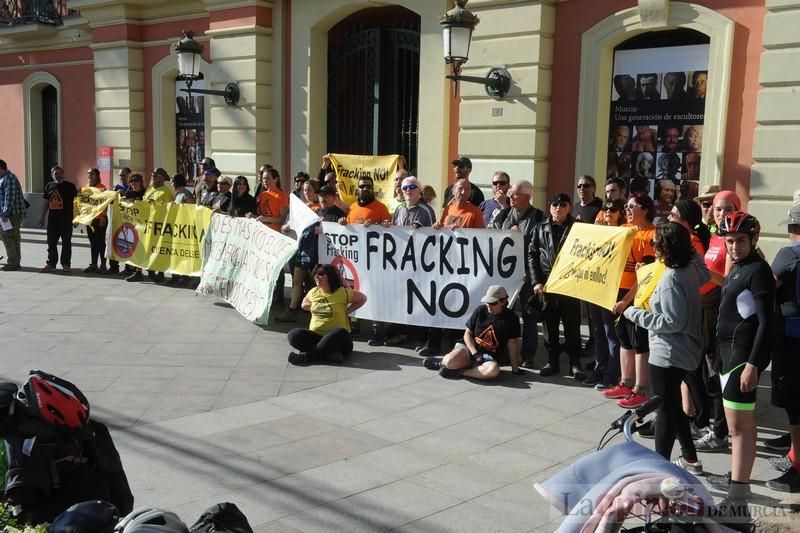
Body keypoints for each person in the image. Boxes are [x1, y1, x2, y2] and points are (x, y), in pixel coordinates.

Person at [624, 222, 708, 475]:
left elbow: (672, 321)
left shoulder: (672, 277)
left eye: (656, 243)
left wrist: (634, 313)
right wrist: (686, 243)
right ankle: (691, 459)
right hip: (686, 351)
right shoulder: (691, 269)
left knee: (664, 411)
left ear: (665, 248)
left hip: (668, 354)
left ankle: (659, 467)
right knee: (672, 406)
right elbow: (704, 269)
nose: (653, 246)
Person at [710, 212, 774, 520]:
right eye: (730, 241)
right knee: (739, 427)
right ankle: (739, 490)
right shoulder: (738, 268)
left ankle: (737, 500)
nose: (734, 246)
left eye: (740, 241)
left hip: (740, 359)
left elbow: (767, 323)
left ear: (753, 240)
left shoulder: (757, 271)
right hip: (728, 356)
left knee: (740, 429)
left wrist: (753, 365)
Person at [604, 192, 656, 408]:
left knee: (639, 341)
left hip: (639, 296)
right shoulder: (624, 231)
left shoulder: (652, 235)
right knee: (623, 338)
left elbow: (646, 277)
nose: (627, 209)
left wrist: (626, 300)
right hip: (619, 292)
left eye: (632, 206)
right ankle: (626, 382)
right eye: (626, 205)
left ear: (644, 209)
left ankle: (641, 389)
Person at [528, 193, 585, 380]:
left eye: (562, 204)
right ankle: (552, 362)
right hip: (548, 285)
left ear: (569, 207)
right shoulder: (540, 227)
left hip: (570, 285)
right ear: (550, 207)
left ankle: (575, 364)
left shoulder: (578, 228)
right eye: (554, 204)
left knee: (572, 326)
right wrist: (536, 281)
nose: (558, 208)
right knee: (549, 325)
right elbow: (532, 255)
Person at [766, 203, 800, 492]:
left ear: (793, 229)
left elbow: (767, 288)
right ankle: (793, 455)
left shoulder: (789, 254)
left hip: (792, 340)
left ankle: (797, 466)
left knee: (795, 404)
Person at [492, 180, 543, 368]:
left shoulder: (537, 217)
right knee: (505, 313)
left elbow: (540, 248)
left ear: (527, 196)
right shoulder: (505, 213)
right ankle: (505, 351)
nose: (510, 196)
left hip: (527, 276)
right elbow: (493, 237)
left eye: (514, 194)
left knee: (529, 315)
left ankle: (528, 355)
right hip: (507, 274)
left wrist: (533, 273)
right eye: (510, 193)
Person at [422, 285, 521, 380]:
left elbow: (512, 343)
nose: (489, 306)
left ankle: (459, 372)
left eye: (493, 303)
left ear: (503, 301)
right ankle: (442, 363)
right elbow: (467, 334)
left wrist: (515, 369)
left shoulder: (511, 318)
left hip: (488, 357)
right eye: (487, 302)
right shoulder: (480, 310)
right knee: (450, 361)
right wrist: (475, 353)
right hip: (470, 349)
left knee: (493, 371)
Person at [287, 263, 367, 365]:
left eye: (320, 274)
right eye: (315, 273)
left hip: (339, 340)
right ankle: (327, 353)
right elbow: (303, 304)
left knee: (340, 332)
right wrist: (315, 307)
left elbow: (362, 298)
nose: (316, 276)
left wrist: (347, 311)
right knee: (293, 335)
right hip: (317, 336)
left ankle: (308, 357)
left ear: (329, 276)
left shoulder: (342, 293)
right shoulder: (313, 292)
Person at [585, 199, 625, 390]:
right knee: (598, 332)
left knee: (610, 333)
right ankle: (599, 369)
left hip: (612, 288)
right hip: (595, 286)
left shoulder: (624, 231)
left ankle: (611, 374)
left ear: (620, 213)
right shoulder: (596, 229)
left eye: (613, 209)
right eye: (605, 208)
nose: (608, 211)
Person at [40, 166, 78, 273]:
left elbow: (77, 203)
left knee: (66, 242)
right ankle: (51, 263)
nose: (58, 175)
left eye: (60, 173)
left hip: (66, 219)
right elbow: (46, 203)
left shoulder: (70, 186)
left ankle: (66, 264)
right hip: (53, 220)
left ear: (63, 174)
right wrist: (42, 217)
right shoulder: (49, 186)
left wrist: (76, 218)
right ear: (52, 175)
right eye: (56, 174)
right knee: (51, 242)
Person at [0, 160, 26, 271]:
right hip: (10, 213)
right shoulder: (4, 178)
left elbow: (9, 197)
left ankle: (13, 262)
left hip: (12, 213)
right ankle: (15, 261)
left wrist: (5, 213)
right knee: (14, 236)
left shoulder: (9, 178)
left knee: (6, 235)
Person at [83, 168, 109, 274]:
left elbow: (105, 203)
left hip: (100, 219)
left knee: (101, 243)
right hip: (90, 219)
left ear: (97, 176)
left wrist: (103, 216)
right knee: (93, 243)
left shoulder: (102, 188)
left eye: (92, 174)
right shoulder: (86, 188)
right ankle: (94, 264)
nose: (90, 176)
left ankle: (103, 265)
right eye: (89, 174)